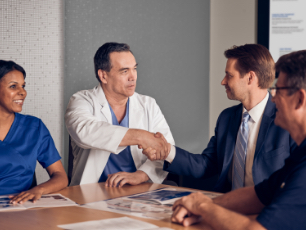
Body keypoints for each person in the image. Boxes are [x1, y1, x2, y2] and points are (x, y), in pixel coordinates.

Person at [171, 50, 306, 230]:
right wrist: (203, 205)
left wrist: (203, 206)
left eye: (278, 90)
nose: (273, 98)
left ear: (299, 99)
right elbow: (259, 194)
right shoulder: (300, 156)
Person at [143, 44, 296, 192]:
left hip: (267, 209)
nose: (223, 81)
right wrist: (167, 152)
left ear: (250, 78)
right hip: (227, 204)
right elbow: (206, 165)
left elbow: (295, 182)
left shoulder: (288, 118)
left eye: (229, 75)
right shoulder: (227, 118)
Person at [65, 42, 174, 187]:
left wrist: (140, 175)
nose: (133, 77)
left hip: (138, 191)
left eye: (134, 69)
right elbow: (84, 132)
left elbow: (165, 148)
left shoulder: (148, 104)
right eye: (124, 71)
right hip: (91, 192)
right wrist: (141, 136)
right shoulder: (81, 100)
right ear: (103, 76)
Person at [0, 60, 68, 203]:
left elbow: (60, 176)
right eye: (13, 86)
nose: (22, 92)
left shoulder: (34, 127)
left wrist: (38, 190)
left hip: (21, 208)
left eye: (23, 86)